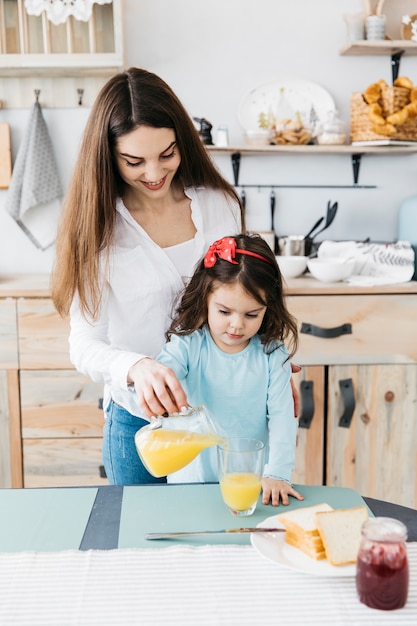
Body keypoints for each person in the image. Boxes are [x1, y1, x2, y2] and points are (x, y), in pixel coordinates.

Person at [51, 67, 299, 487]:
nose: (153, 173)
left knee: (223, 542)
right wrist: (137, 366)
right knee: (139, 546)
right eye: (134, 161)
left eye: (167, 154)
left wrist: (272, 365)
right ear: (107, 155)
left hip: (226, 420)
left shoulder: (220, 205)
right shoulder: (95, 228)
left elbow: (245, 295)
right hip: (140, 426)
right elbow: (85, 344)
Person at [157, 233, 304, 506]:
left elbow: (283, 418)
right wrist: (159, 384)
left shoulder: (272, 355)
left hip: (250, 482)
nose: (237, 325)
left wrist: (278, 473)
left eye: (251, 315)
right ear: (205, 300)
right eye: (224, 312)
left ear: (267, 309)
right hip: (190, 482)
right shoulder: (186, 347)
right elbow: (163, 375)